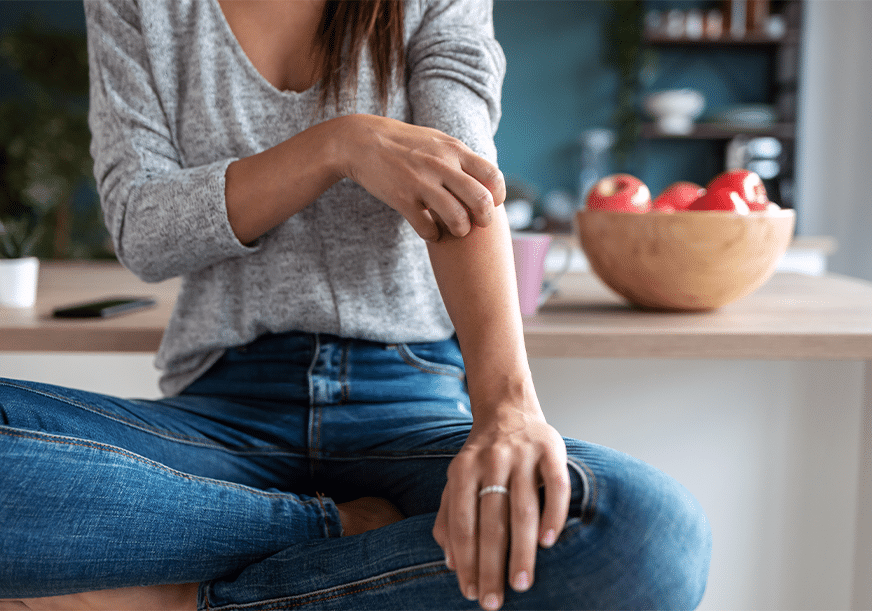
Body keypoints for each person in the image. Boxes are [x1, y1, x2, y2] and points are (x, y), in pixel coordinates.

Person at [0, 0, 712, 609]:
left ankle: (191, 595)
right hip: (223, 414)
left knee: (648, 533)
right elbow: (141, 227)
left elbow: (465, 182)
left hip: (409, 401)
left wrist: (509, 411)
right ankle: (333, 534)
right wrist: (337, 145)